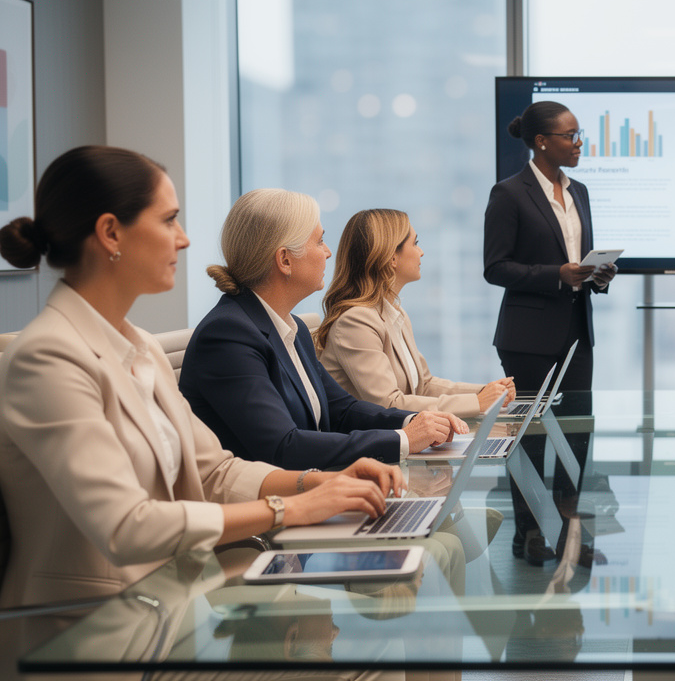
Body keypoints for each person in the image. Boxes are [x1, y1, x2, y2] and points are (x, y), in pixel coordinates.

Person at [0, 146, 404, 655]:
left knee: (382, 647)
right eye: (169, 220)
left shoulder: (139, 347)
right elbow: (127, 526)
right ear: (110, 234)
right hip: (92, 631)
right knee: (372, 657)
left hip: (172, 604)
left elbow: (214, 471)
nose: (184, 238)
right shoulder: (47, 358)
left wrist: (316, 482)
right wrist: (290, 507)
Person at [179, 189, 467, 470]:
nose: (328, 252)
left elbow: (342, 410)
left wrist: (413, 421)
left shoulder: (293, 328)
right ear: (285, 260)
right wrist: (403, 440)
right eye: (319, 241)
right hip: (273, 497)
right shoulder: (228, 335)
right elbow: (283, 447)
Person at [484, 100, 614, 564]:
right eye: (570, 136)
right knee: (532, 438)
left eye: (579, 135)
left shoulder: (580, 192)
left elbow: (580, 258)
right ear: (541, 141)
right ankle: (530, 534)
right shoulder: (509, 193)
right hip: (528, 337)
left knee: (576, 436)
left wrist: (598, 275)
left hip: (577, 332)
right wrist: (555, 274)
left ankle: (569, 535)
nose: (578, 144)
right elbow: (495, 268)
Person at [318, 208, 516, 418]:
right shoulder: (356, 322)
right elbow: (389, 403)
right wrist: (477, 402)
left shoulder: (394, 313)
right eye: (415, 243)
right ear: (392, 258)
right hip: (374, 436)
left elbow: (424, 385)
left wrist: (485, 392)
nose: (421, 252)